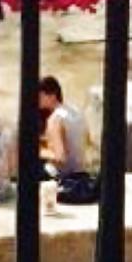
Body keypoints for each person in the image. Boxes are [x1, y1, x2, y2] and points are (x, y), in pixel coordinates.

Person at [38, 75, 96, 207]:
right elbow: (87, 142)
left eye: (39, 96)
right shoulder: (76, 112)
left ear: (52, 95)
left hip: (63, 175)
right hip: (80, 171)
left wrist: (38, 151)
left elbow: (60, 157)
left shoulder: (54, 119)